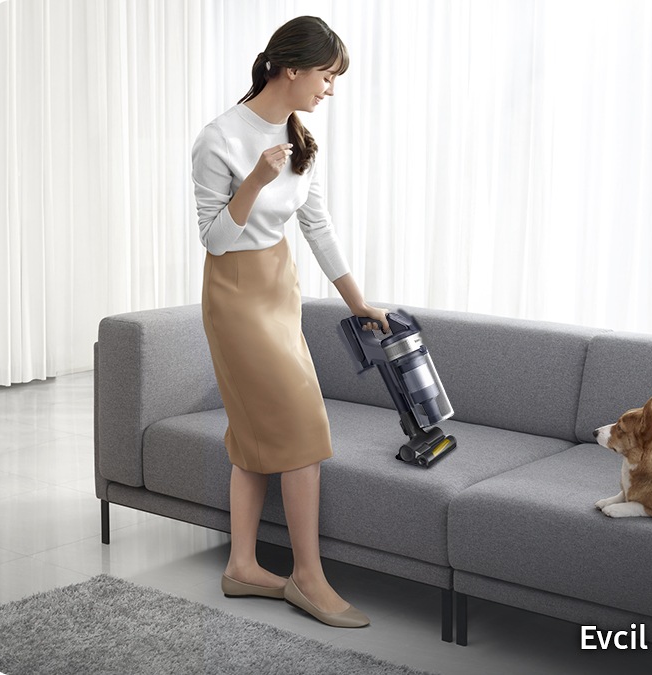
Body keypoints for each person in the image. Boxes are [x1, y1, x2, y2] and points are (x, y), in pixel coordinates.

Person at [191, 16, 388, 628]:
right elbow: (215, 239)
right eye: (327, 76)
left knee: (255, 438)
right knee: (303, 427)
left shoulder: (298, 137)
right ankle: (307, 578)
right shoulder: (219, 137)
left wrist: (357, 301)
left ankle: (243, 567)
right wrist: (254, 180)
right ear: (291, 68)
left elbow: (317, 226)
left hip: (280, 290)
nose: (329, 89)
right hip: (235, 294)